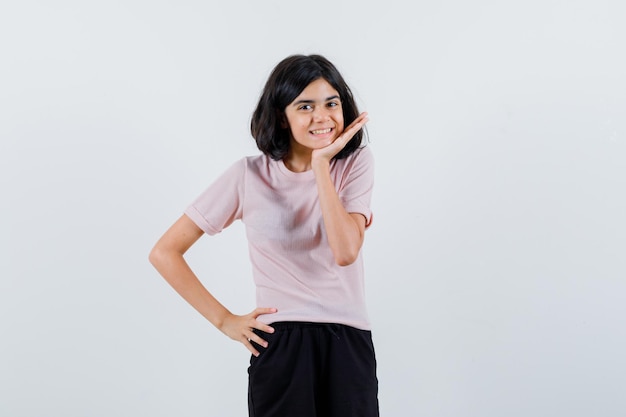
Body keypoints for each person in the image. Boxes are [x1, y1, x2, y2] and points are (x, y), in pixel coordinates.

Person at [149, 54, 379, 417]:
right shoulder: (248, 175)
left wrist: (321, 165)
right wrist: (225, 321)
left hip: (347, 339)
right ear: (281, 117)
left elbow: (346, 251)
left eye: (331, 103)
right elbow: (165, 252)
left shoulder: (354, 164)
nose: (322, 116)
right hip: (280, 342)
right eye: (305, 106)